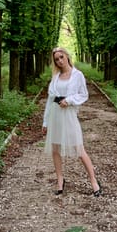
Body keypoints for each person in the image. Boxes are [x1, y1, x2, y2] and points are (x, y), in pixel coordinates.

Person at [42, 47, 102, 197]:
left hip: (68, 115)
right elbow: (50, 100)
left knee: (79, 150)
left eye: (61, 57)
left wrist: (69, 100)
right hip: (55, 115)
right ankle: (60, 180)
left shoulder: (78, 75)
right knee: (55, 150)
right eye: (56, 59)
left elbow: (84, 94)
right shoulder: (55, 77)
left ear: (67, 57)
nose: (60, 61)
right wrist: (45, 122)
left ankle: (94, 181)